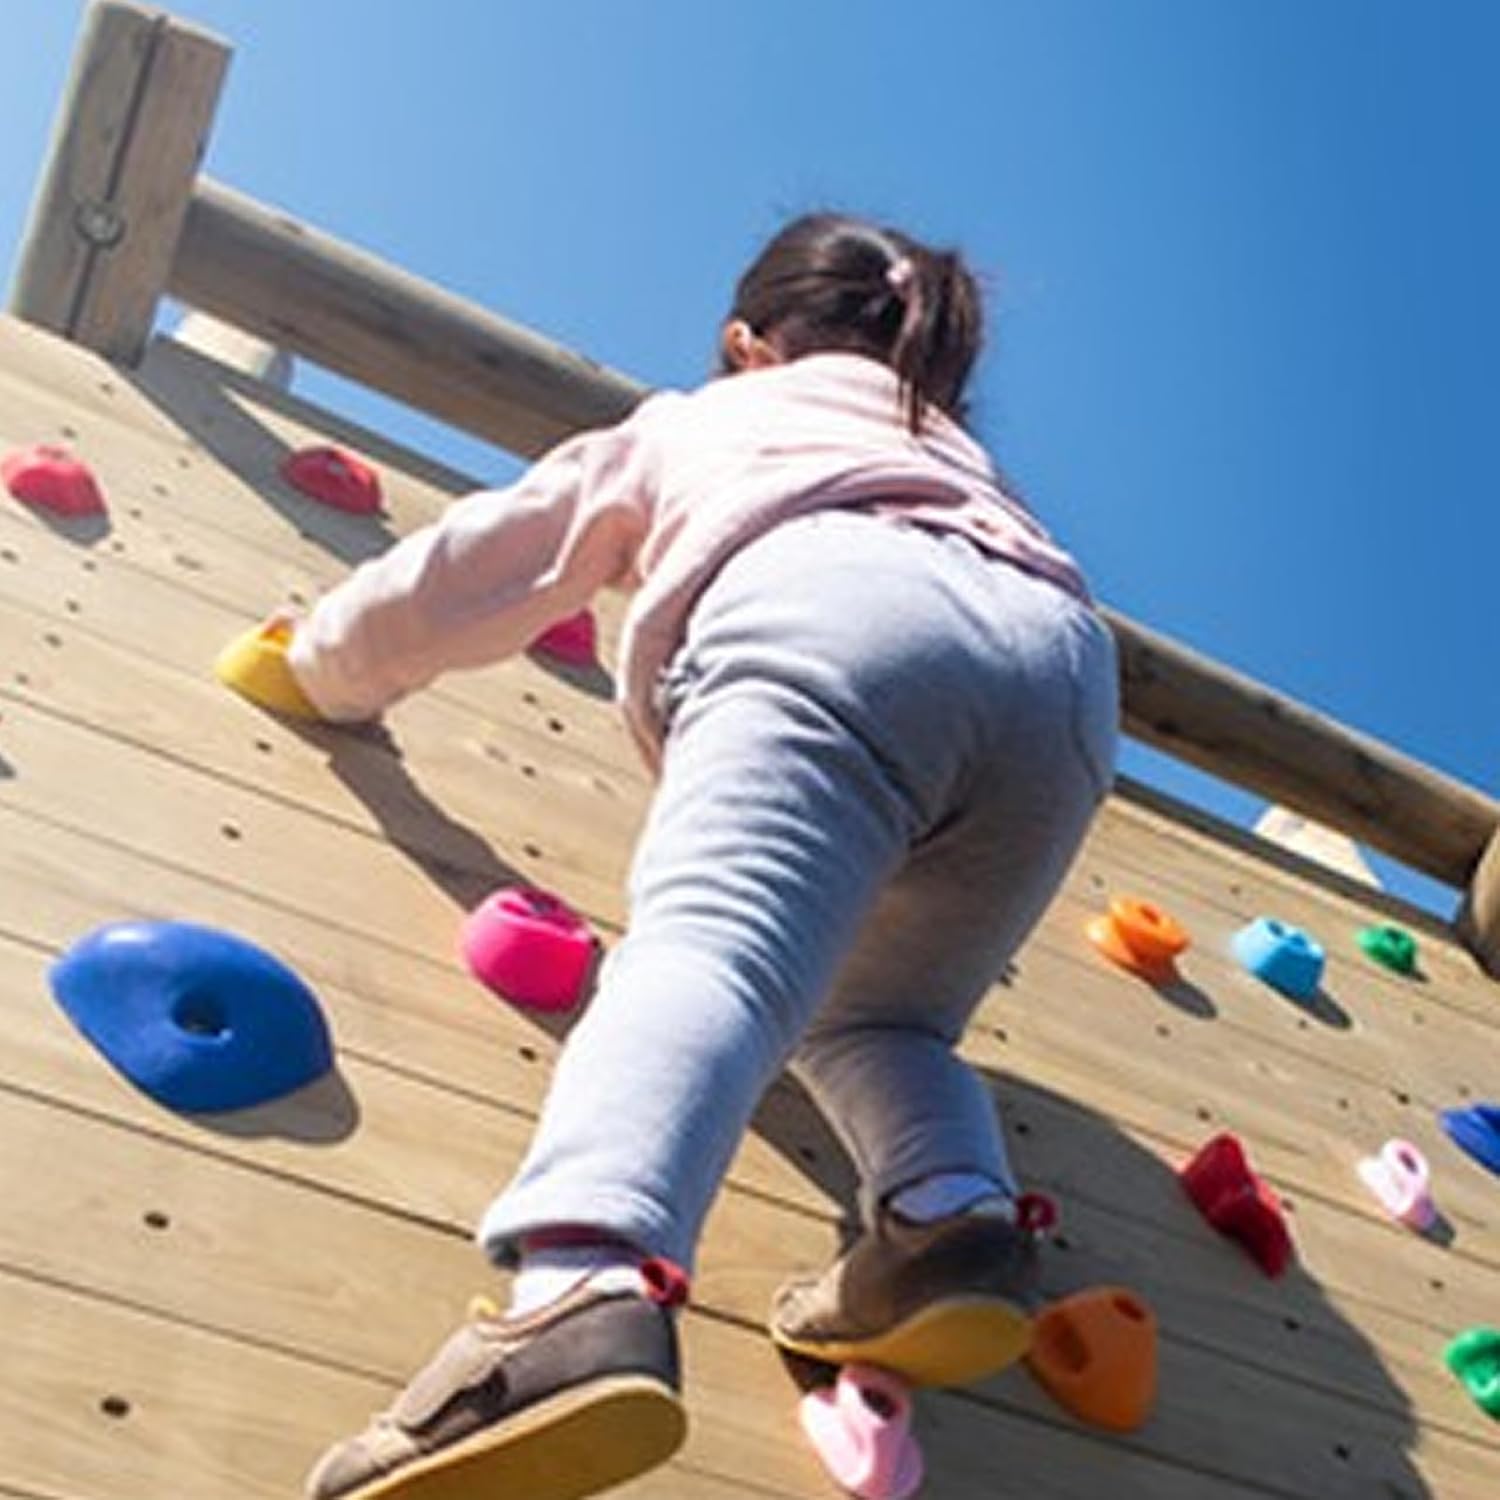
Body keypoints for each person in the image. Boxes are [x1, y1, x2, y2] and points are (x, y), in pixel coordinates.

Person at [230, 213, 1119, 1500]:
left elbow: (485, 565)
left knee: (716, 952)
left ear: (745, 343)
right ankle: (953, 1221)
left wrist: (323, 667)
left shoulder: (702, 419)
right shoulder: (957, 459)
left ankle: (578, 1290)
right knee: (886, 1022)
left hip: (840, 610)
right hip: (1067, 683)